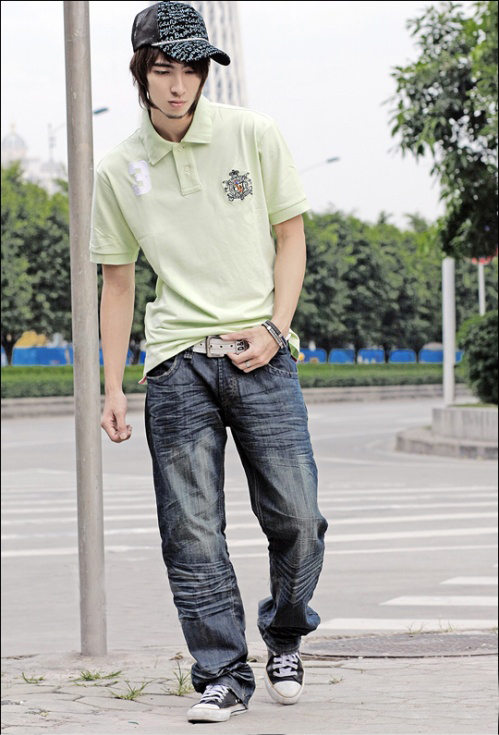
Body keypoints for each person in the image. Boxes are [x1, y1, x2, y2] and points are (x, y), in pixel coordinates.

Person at [90, 1, 328, 724]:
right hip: (176, 363)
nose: (178, 85)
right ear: (142, 72)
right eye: (164, 69)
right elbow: (118, 281)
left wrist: (277, 328)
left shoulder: (252, 133)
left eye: (191, 70)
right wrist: (112, 386)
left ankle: (284, 632)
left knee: (299, 518)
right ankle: (221, 672)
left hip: (262, 353)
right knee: (190, 529)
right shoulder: (118, 167)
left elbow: (291, 237)